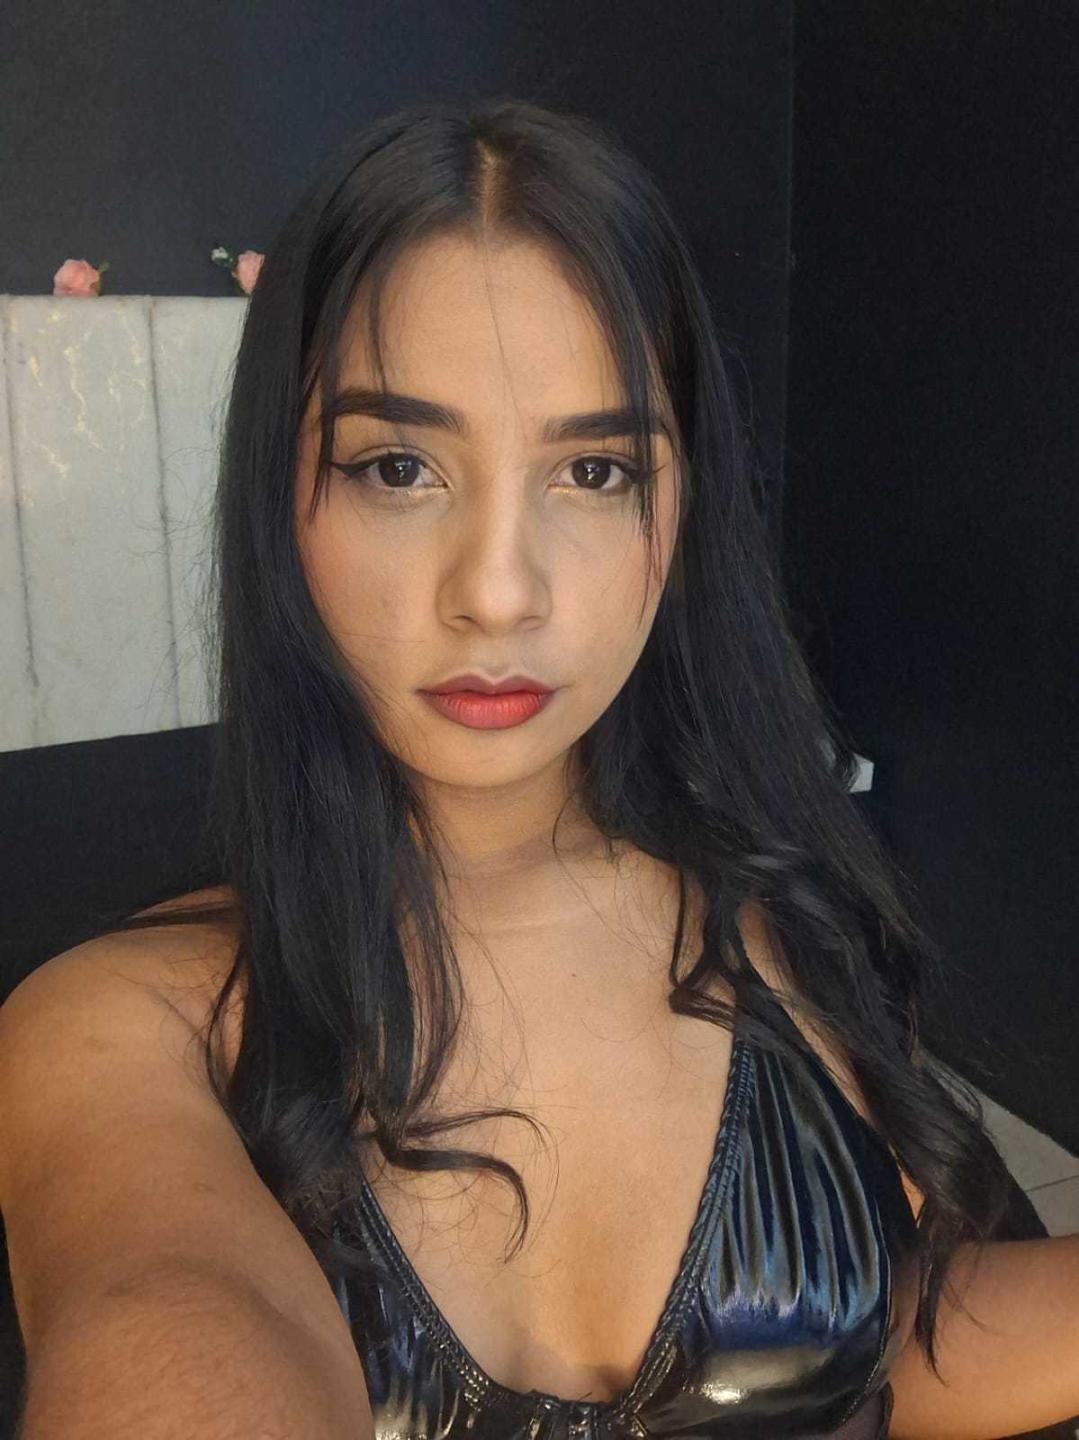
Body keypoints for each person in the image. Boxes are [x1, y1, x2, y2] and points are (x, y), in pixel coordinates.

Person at [1, 98, 1076, 1440]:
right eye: (399, 466)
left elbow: (879, 1354)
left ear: (679, 505)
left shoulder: (794, 925)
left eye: (595, 470)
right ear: (282, 497)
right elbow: (166, 1323)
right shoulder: (120, 1029)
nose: (500, 591)